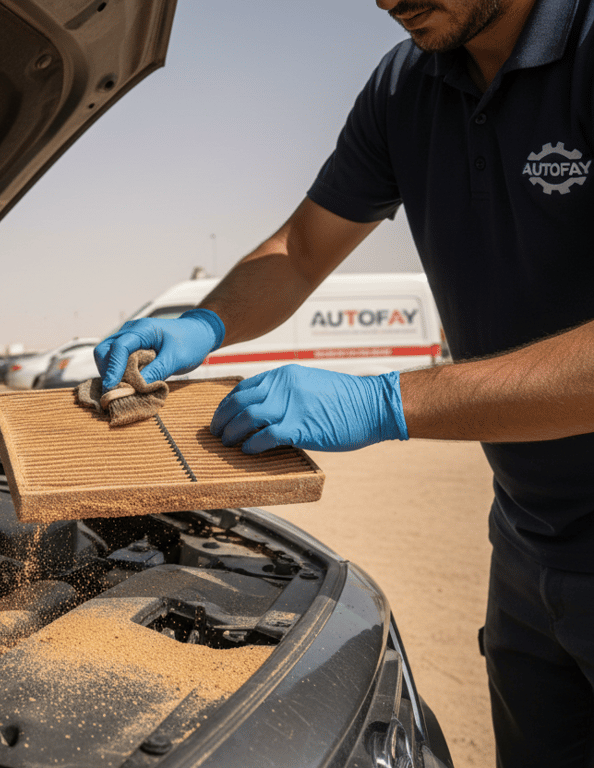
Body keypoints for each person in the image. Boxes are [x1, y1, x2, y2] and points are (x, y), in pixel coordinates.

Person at [93, 0, 594, 765]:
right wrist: (205, 324)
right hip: (529, 544)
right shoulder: (407, 86)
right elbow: (299, 249)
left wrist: (386, 400)